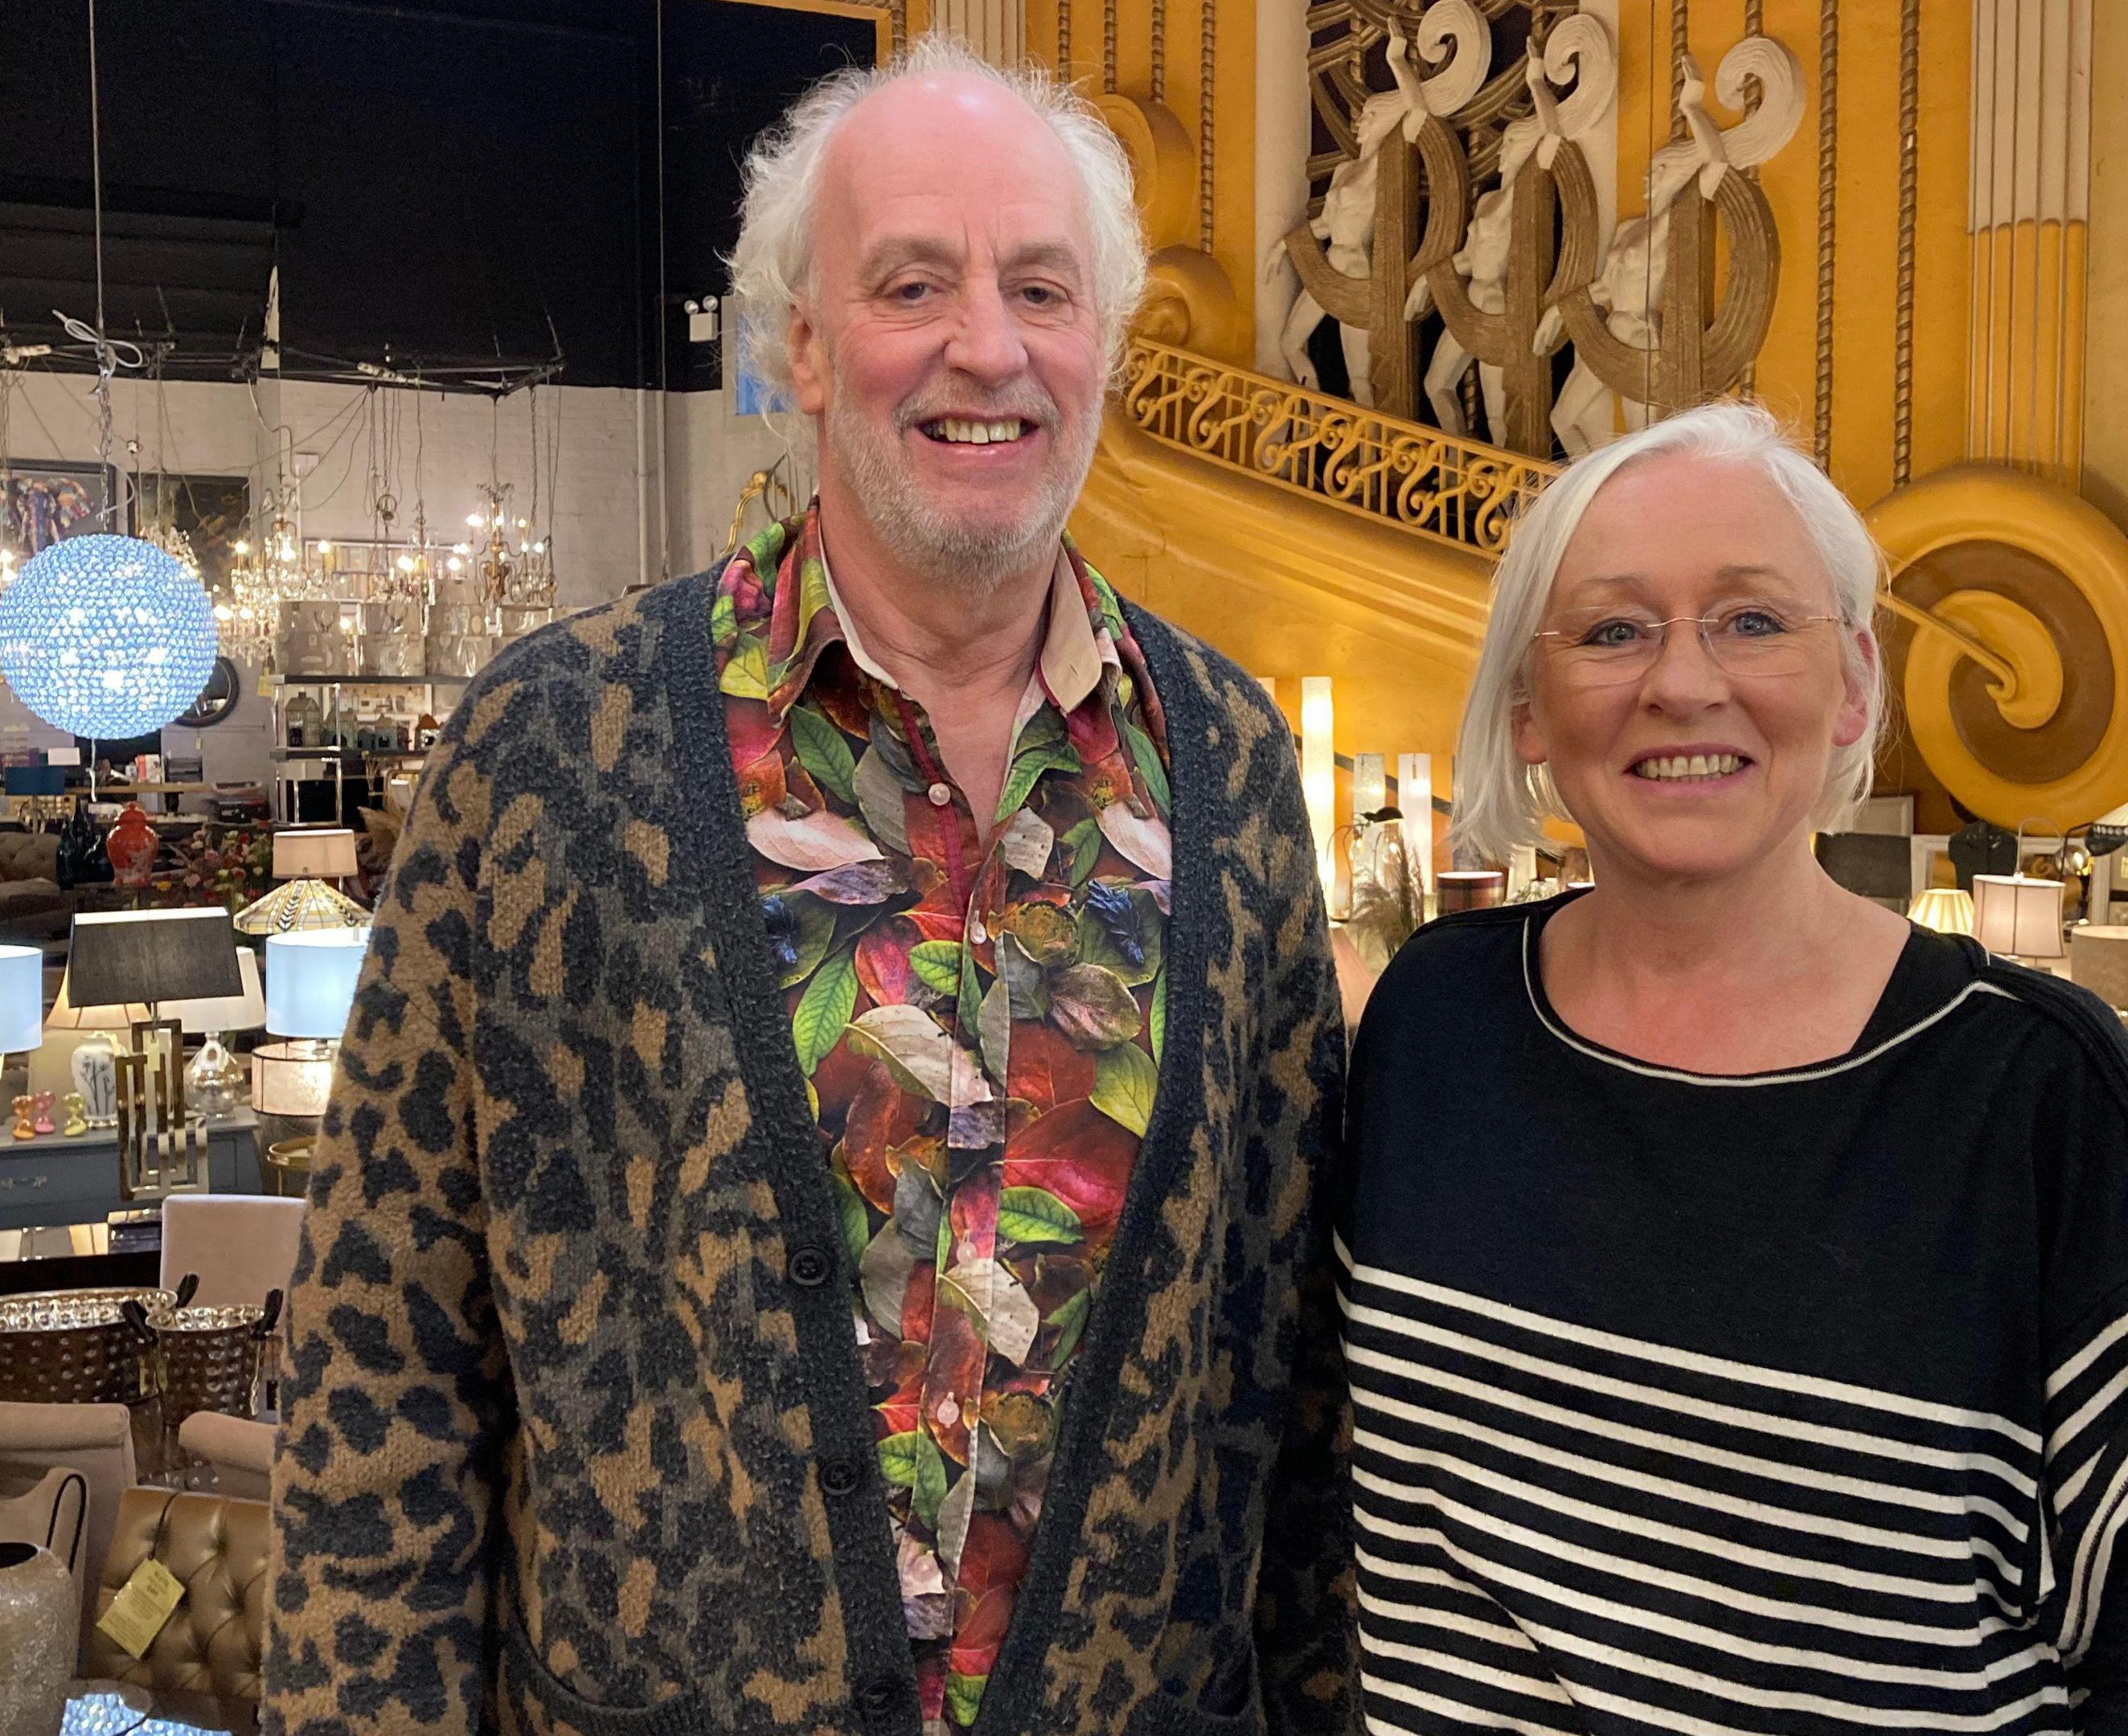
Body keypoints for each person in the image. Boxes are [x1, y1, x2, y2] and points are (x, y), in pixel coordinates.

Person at [265, 39, 1354, 1736]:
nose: (985, 346)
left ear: (1106, 349)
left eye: (1041, 291)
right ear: (802, 339)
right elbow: (383, 1363)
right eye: (912, 282)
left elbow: (1291, 1380)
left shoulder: (1225, 765)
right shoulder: (552, 749)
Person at [1343, 402, 2128, 1734]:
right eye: (1614, 630)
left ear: (1852, 683)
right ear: (1530, 708)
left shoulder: (2033, 1094)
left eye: (1751, 621)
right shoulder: (1434, 1023)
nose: (1683, 683)